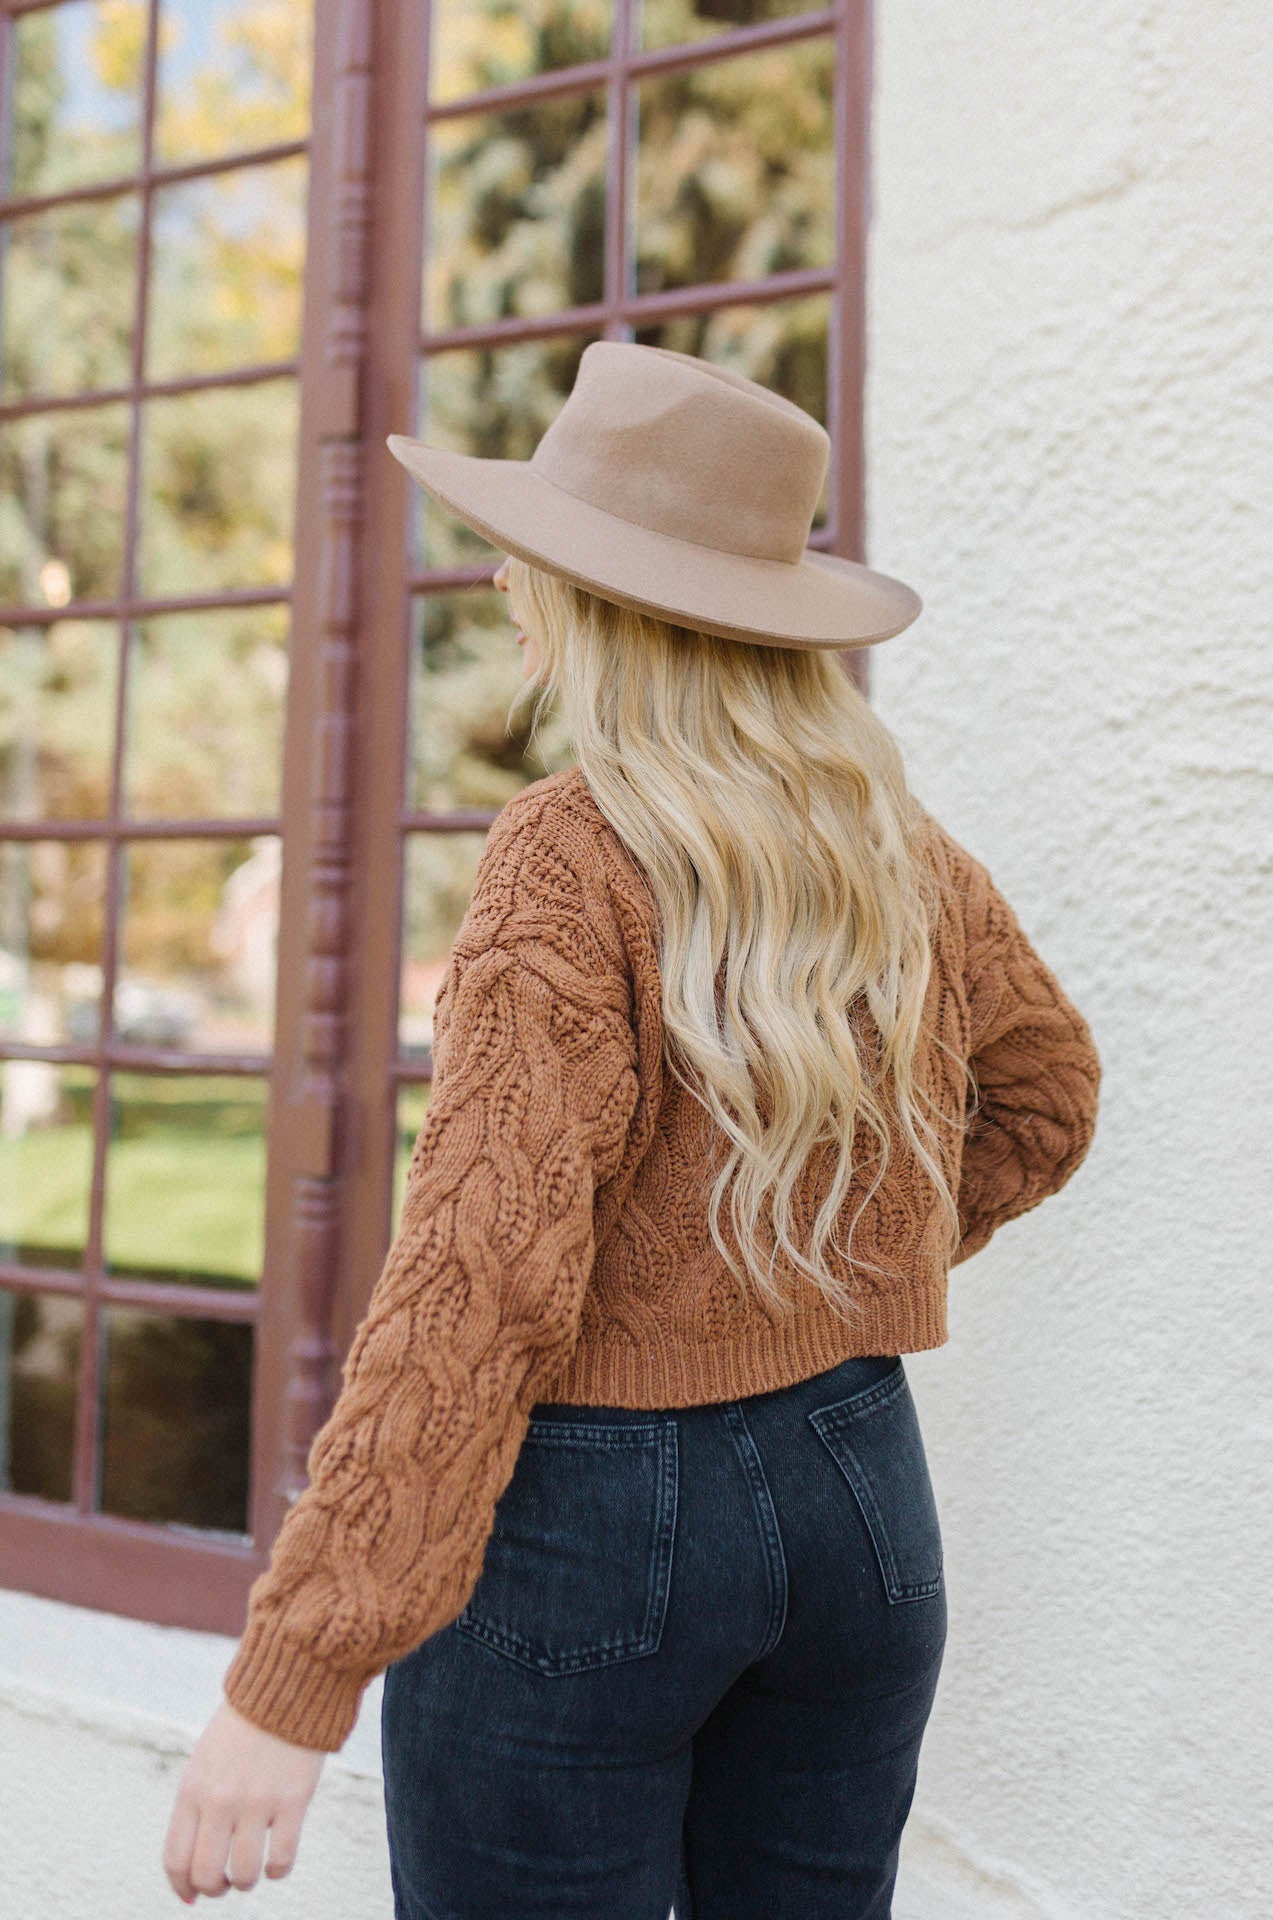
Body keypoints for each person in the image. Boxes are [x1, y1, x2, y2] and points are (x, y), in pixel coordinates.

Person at [163, 342, 1102, 1915]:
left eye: (532, 562)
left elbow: (476, 1289)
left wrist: (289, 1678)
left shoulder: (567, 857)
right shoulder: (894, 848)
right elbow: (1047, 1097)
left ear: (596, 603)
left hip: (593, 1530)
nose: (507, 590)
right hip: (862, 1496)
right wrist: (825, 1264)